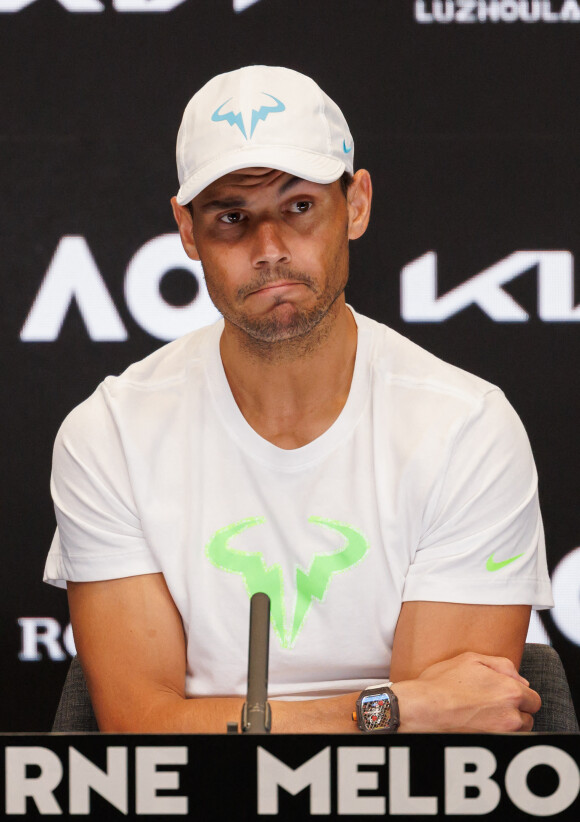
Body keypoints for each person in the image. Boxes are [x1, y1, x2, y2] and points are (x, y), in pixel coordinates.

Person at [44, 65, 553, 733]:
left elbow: (447, 744)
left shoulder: (468, 429)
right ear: (188, 231)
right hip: (190, 818)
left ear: (358, 203)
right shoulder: (109, 434)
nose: (271, 249)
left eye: (299, 207)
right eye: (232, 217)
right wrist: (392, 709)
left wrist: (400, 716)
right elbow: (143, 729)